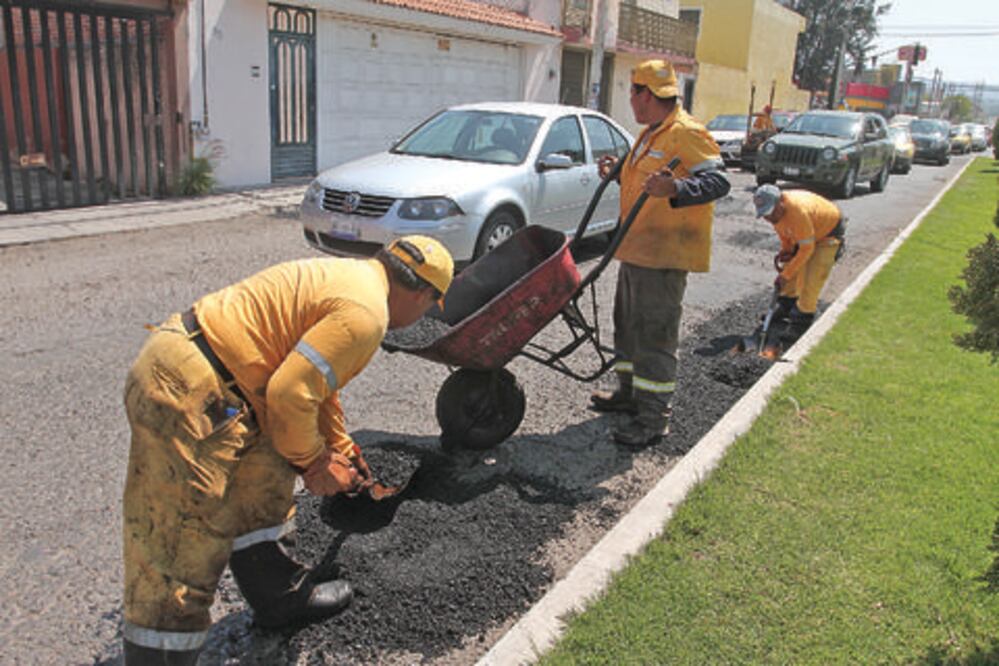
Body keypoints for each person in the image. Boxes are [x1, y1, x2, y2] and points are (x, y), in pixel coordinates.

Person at [120, 236, 453, 664]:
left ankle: (280, 598)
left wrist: (340, 447)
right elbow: (290, 394)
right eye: (428, 306)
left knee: (265, 482)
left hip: (227, 386)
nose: (421, 316)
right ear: (423, 292)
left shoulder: (351, 278)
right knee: (180, 546)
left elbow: (316, 386)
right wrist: (314, 462)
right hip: (189, 391)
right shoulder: (366, 315)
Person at [590, 59, 730, 448]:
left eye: (633, 91)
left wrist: (678, 191)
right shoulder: (651, 133)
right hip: (636, 251)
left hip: (665, 257)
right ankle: (628, 395)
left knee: (655, 337)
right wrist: (617, 174)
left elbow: (719, 180)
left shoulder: (686, 133)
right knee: (628, 330)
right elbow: (646, 180)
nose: (630, 98)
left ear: (646, 94)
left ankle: (653, 419)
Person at [752, 184, 846, 345]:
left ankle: (801, 324)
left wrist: (785, 275)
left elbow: (806, 249)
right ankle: (786, 306)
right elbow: (784, 234)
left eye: (770, 213)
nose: (769, 218)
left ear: (781, 202)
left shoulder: (796, 212)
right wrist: (786, 250)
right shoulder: (776, 214)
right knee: (791, 267)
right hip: (807, 233)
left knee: (810, 279)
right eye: (765, 215)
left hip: (827, 235)